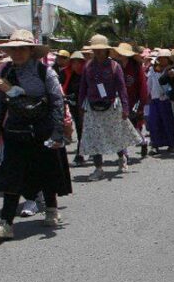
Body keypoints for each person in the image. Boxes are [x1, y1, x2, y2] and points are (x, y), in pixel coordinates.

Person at [0, 30, 72, 243]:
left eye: (22, 48)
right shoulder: (5, 71)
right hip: (16, 132)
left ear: (31, 51)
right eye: (14, 49)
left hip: (43, 130)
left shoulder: (45, 72)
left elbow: (57, 101)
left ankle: (51, 209)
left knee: (47, 172)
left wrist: (58, 131)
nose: (18, 53)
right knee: (12, 177)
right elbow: (1, 104)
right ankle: (6, 223)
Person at [78, 34, 141, 179]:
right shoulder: (88, 67)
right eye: (95, 50)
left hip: (111, 106)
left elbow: (122, 88)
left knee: (115, 136)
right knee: (94, 139)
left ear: (106, 51)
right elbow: (83, 88)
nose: (98, 53)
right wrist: (81, 106)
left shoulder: (115, 66)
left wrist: (125, 108)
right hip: (93, 107)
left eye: (100, 50)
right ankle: (98, 168)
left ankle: (121, 158)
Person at [114, 42, 150, 158]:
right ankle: (124, 153)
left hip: (133, 101)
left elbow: (143, 86)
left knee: (133, 126)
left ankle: (143, 142)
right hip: (119, 101)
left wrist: (141, 104)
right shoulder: (115, 66)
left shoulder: (136, 67)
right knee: (120, 127)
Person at [146, 49, 174, 153]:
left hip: (167, 100)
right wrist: (147, 94)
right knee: (153, 122)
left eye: (164, 58)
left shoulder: (172, 70)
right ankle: (155, 144)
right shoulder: (153, 69)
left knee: (168, 122)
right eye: (161, 58)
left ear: (168, 59)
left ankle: (172, 144)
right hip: (154, 99)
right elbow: (149, 82)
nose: (162, 60)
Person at [62, 51, 87, 164]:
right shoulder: (67, 74)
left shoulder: (87, 74)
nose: (76, 65)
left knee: (82, 130)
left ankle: (80, 155)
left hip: (86, 106)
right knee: (79, 129)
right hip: (72, 106)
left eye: (79, 62)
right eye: (74, 63)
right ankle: (81, 154)